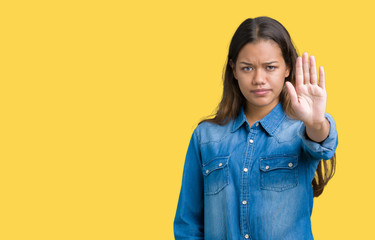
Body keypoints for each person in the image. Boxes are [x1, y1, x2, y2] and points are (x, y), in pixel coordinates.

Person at [173, 16, 338, 240]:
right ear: (234, 70)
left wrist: (316, 122)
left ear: (287, 68)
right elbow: (188, 225)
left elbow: (323, 144)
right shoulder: (205, 137)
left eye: (270, 67)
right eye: (247, 68)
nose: (259, 79)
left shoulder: (302, 129)